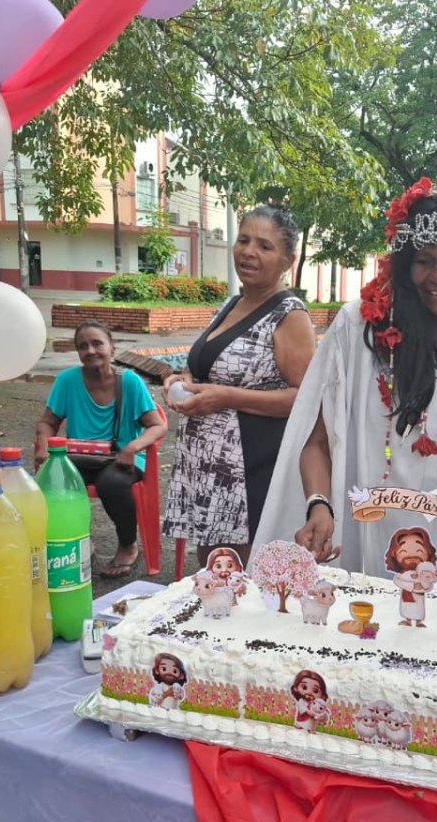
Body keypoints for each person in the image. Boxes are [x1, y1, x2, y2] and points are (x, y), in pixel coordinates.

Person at [256, 179, 437, 589]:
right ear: (404, 266)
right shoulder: (358, 330)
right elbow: (317, 443)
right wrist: (319, 506)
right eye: (423, 260)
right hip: (358, 544)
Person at [162, 205, 317, 568]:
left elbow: (306, 398)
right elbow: (212, 369)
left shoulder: (289, 315)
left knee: (240, 576)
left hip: (249, 469)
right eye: (243, 240)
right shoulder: (233, 303)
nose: (248, 251)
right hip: (210, 469)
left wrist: (226, 398)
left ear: (288, 261)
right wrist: (184, 380)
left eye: (264, 246)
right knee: (213, 573)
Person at [34, 320, 167, 578]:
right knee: (52, 481)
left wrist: (133, 447)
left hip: (122, 458)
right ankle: (79, 540)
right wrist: (43, 445)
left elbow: (157, 426)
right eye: (83, 346)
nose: (91, 351)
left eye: (97, 343)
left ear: (112, 348)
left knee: (112, 484)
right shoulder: (67, 381)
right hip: (78, 457)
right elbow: (48, 422)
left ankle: (128, 545)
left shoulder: (130, 382)